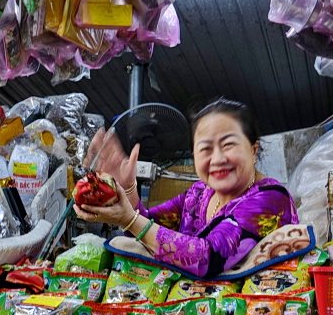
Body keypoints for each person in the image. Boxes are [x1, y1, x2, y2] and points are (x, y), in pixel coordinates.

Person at [74, 98, 299, 278]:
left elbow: (208, 258)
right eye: (205, 149)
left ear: (253, 149)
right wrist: (126, 188)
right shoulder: (199, 194)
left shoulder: (270, 200)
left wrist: (128, 220)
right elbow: (150, 228)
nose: (218, 158)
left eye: (228, 144)